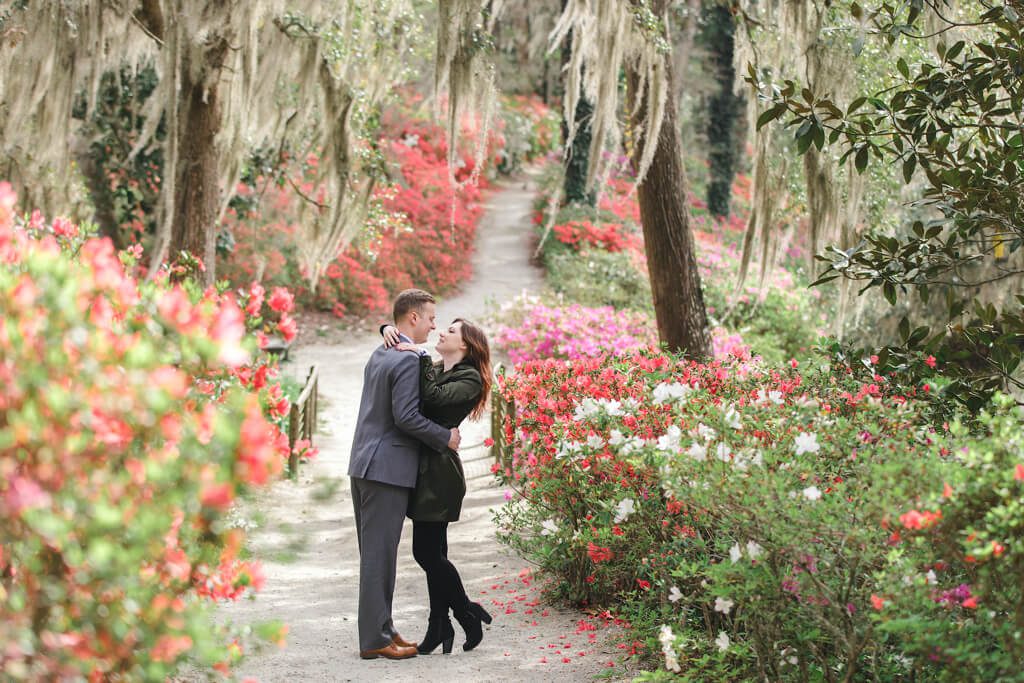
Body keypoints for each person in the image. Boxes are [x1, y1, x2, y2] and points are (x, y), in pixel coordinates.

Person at [348, 289, 461, 661]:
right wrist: (446, 437)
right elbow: (407, 417)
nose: (434, 324)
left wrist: (386, 328)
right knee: (379, 557)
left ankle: (383, 627)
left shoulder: (382, 349)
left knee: (375, 555)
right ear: (412, 318)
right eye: (430, 317)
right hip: (387, 470)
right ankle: (374, 639)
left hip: (365, 464)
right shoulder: (408, 359)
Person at [381, 318, 494, 654]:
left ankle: (465, 612)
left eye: (450, 331)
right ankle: (440, 624)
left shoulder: (470, 378)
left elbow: (430, 398)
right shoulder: (441, 368)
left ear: (465, 345)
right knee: (435, 553)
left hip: (440, 475)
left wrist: (418, 355)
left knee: (426, 553)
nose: (441, 332)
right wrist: (387, 327)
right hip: (426, 469)